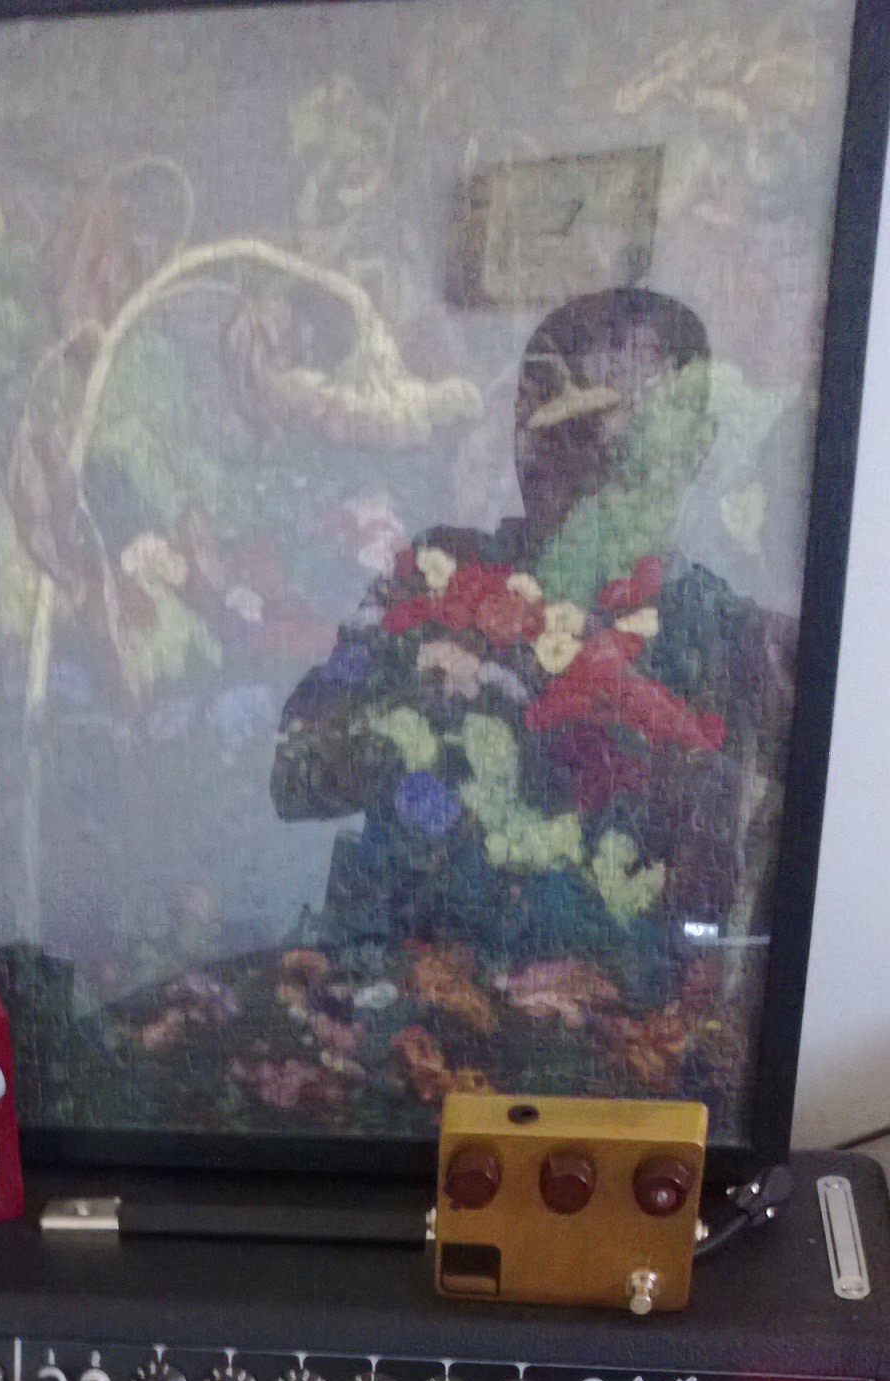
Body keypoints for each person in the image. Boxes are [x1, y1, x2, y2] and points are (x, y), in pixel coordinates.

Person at [269, 287, 795, 1109]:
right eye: (531, 414)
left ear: (689, 449)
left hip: (616, 1077)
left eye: (593, 425)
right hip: (384, 1044)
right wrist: (438, 692)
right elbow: (295, 779)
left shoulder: (733, 642)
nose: (548, 449)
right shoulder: (436, 577)